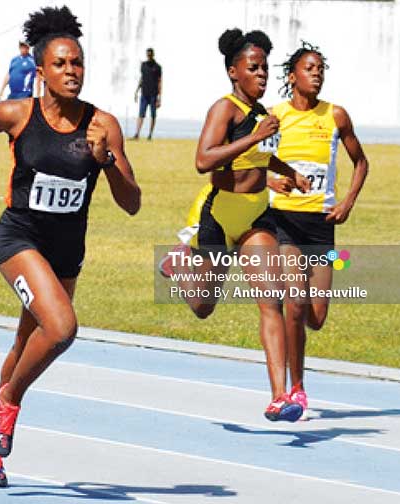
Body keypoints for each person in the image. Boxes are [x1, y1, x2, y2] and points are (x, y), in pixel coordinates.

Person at [0, 6, 141, 488]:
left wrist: (107, 158)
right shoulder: (19, 114)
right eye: (60, 64)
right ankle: (7, 406)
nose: (71, 71)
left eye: (77, 63)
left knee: (24, 344)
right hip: (20, 239)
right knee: (60, 329)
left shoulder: (104, 124)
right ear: (40, 71)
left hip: (66, 252)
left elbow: (132, 203)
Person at [158, 28, 311, 422]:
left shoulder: (263, 116)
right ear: (233, 71)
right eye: (253, 67)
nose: (261, 74)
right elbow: (203, 160)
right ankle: (179, 268)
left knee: (271, 299)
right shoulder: (224, 110)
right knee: (203, 307)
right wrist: (255, 137)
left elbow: (261, 158)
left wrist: (289, 172)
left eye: (264, 68)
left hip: (255, 218)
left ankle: (280, 396)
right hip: (219, 217)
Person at [267, 42, 368, 418]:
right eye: (310, 68)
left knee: (316, 315)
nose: (317, 74)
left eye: (321, 68)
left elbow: (361, 163)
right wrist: (268, 180)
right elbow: (249, 162)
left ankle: (297, 367)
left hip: (322, 226)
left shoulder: (336, 116)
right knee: (293, 304)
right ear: (292, 76)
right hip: (286, 222)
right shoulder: (275, 116)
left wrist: (347, 203)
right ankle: (297, 388)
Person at [131, 47, 161, 140]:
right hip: (144, 93)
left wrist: (159, 97)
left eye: (150, 54)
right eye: (147, 54)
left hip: (154, 94)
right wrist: (136, 91)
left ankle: (150, 135)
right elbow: (142, 78)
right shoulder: (143, 65)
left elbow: (160, 82)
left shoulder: (157, 67)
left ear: (153, 55)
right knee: (141, 114)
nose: (148, 56)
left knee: (153, 115)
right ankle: (137, 134)